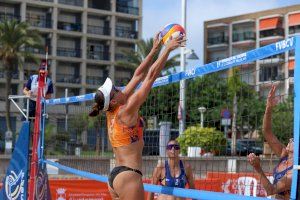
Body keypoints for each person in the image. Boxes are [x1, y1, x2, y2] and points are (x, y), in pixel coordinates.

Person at [88, 33, 186, 200]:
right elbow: (150, 77)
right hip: (129, 176)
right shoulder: (126, 110)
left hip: (116, 177)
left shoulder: (111, 111)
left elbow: (138, 74)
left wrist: (155, 49)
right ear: (112, 101)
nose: (119, 88)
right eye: (115, 90)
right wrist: (167, 50)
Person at [248, 85, 293, 200]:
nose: (290, 139)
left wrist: (257, 168)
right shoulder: (284, 154)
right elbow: (267, 132)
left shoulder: (293, 172)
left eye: (293, 140)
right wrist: (268, 107)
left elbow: (270, 190)